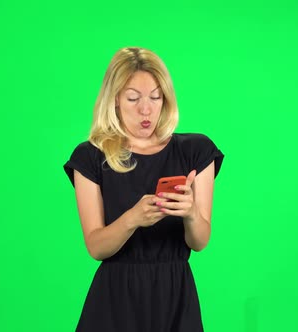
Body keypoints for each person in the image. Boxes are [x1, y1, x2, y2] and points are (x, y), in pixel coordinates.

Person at [63, 47, 224, 332]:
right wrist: (132, 219)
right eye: (133, 98)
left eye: (155, 97)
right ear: (114, 100)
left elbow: (199, 242)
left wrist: (190, 213)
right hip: (115, 300)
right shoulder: (90, 157)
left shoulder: (196, 151)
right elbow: (96, 247)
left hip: (176, 296)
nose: (146, 110)